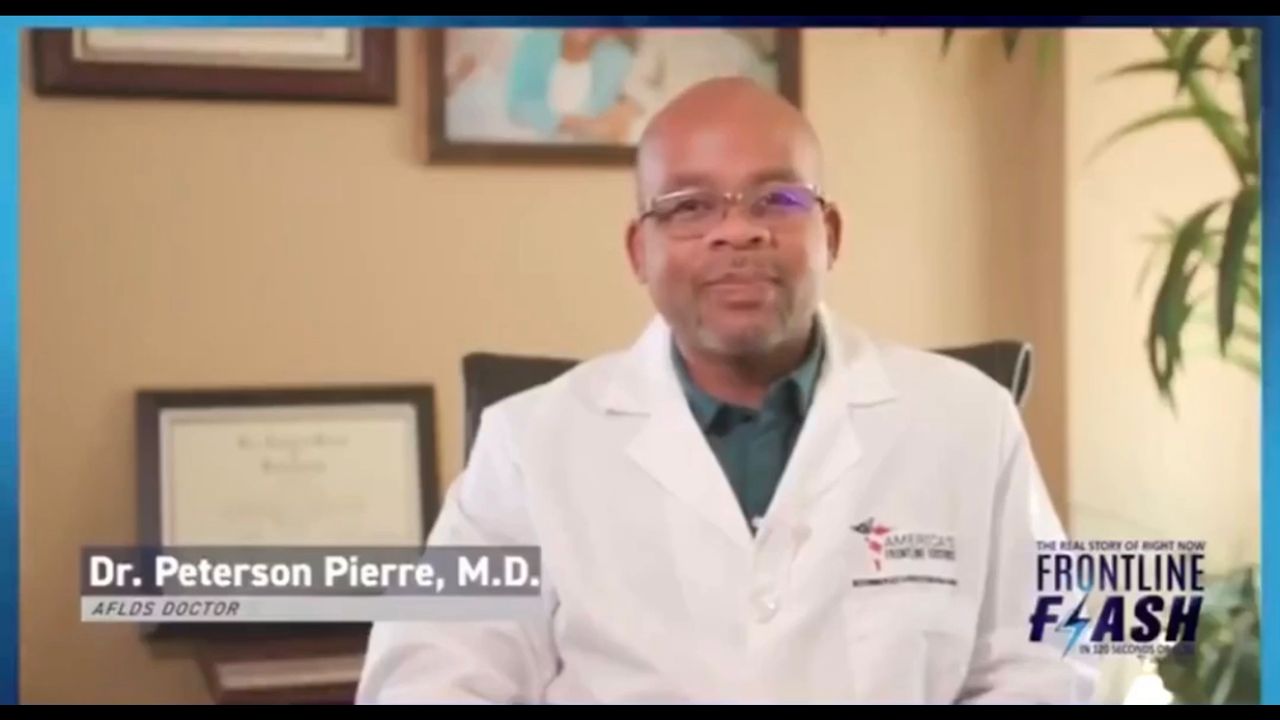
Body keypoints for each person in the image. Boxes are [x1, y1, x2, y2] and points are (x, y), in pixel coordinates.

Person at [357, 78, 1097, 704]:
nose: (738, 232)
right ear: (639, 251)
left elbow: (1056, 660)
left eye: (777, 200)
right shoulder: (526, 443)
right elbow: (428, 678)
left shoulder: (970, 418)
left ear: (831, 235)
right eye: (689, 206)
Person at [505, 29, 633, 143]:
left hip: (589, 153)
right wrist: (575, 124)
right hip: (531, 147)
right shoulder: (535, 43)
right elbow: (518, 106)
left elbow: (613, 121)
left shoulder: (617, 57)